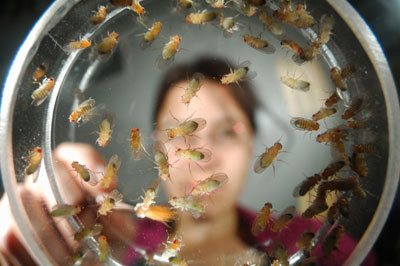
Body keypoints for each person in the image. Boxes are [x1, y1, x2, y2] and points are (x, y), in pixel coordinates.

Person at [0, 57, 376, 265]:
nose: (204, 157)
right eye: (181, 134)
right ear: (157, 147)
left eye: (228, 131)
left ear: (253, 145)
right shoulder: (108, 238)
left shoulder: (319, 249)